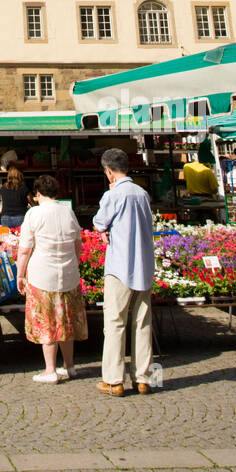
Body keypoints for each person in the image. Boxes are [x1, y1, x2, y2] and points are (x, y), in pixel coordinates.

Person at [93, 148, 156, 397]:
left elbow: (99, 222)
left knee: (115, 322)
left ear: (109, 171)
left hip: (120, 265)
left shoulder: (114, 194)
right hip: (143, 265)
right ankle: (143, 378)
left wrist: (104, 229)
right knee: (143, 323)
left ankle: (113, 380)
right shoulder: (142, 193)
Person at [16, 174, 87, 384]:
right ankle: (70, 365)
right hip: (69, 274)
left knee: (47, 321)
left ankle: (50, 370)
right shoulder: (68, 212)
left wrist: (20, 274)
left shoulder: (34, 214)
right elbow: (77, 244)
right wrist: (73, 263)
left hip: (42, 274)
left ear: (37, 194)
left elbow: (25, 249)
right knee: (66, 321)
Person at [0, 161, 29, 228]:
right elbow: (30, 199)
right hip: (20, 216)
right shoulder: (23, 188)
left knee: (6, 237)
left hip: (5, 217)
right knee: (19, 236)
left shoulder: (3, 188)